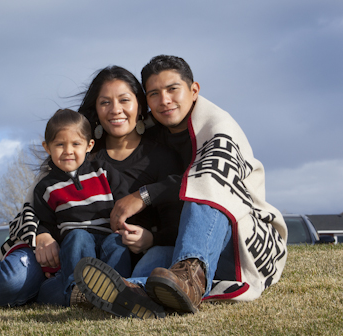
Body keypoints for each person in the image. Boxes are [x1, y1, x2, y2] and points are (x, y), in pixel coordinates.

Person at [0, 66, 183, 312]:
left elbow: (176, 207)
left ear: (139, 105)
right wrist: (42, 234)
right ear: (95, 109)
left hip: (124, 251)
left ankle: (104, 296)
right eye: (105, 102)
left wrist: (149, 229)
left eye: (124, 100)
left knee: (126, 258)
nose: (115, 110)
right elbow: (33, 206)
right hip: (58, 253)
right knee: (13, 280)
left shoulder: (157, 155)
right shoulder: (77, 156)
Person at [73, 55, 288, 317]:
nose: (164, 100)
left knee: (206, 187)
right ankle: (137, 292)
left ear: (194, 90)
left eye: (172, 89)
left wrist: (145, 195)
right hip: (175, 246)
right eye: (154, 93)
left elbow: (210, 181)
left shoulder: (218, 128)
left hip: (237, 236)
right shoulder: (149, 132)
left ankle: (190, 278)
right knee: (157, 260)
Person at [32, 108, 132, 305]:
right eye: (60, 144)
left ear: (89, 145)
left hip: (106, 240)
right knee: (79, 236)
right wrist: (42, 234)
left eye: (76, 144)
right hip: (75, 250)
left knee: (117, 242)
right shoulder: (46, 187)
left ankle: (117, 292)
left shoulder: (103, 171)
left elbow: (125, 204)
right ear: (47, 147)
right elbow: (45, 222)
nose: (68, 151)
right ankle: (79, 291)